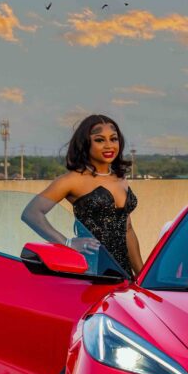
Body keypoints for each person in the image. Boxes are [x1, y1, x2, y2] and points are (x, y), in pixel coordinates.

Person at [21, 114, 144, 279]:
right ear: (86, 143)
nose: (109, 146)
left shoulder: (120, 178)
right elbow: (31, 213)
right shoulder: (72, 180)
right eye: (100, 140)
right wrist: (67, 243)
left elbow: (127, 230)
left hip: (122, 272)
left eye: (113, 139)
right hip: (91, 271)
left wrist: (141, 276)